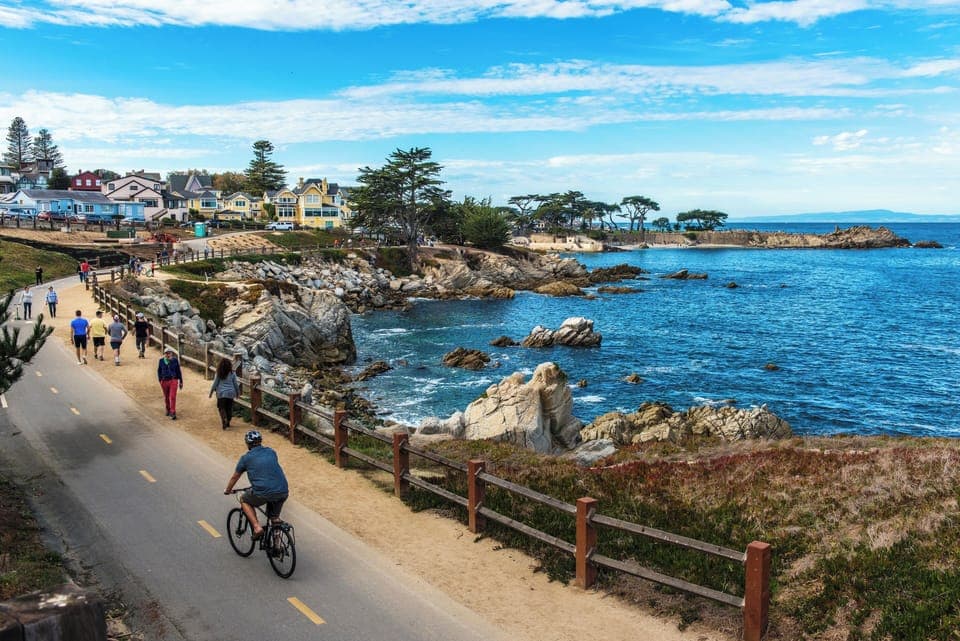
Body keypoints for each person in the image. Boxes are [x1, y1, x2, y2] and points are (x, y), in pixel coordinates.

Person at [223, 430, 289, 540]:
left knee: (244, 500)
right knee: (274, 517)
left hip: (263, 492)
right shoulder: (271, 452)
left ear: (247, 444)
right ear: (260, 441)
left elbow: (235, 477)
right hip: (282, 490)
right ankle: (278, 545)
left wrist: (228, 490)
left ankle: (257, 527)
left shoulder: (246, 458)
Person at [209, 357, 241, 429]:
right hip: (230, 393)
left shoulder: (219, 373)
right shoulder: (232, 373)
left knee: (221, 408)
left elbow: (215, 384)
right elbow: (235, 384)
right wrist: (238, 393)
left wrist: (211, 392)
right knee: (229, 408)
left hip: (221, 393)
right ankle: (228, 421)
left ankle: (224, 419)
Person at [157, 346, 183, 420]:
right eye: (166, 353)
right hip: (164, 381)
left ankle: (172, 411)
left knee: (172, 396)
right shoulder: (161, 361)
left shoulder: (175, 360)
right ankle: (168, 409)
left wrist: (181, 381)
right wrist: (160, 380)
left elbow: (178, 371)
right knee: (166, 397)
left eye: (169, 353)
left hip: (173, 380)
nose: (168, 355)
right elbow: (159, 371)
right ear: (164, 354)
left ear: (172, 354)